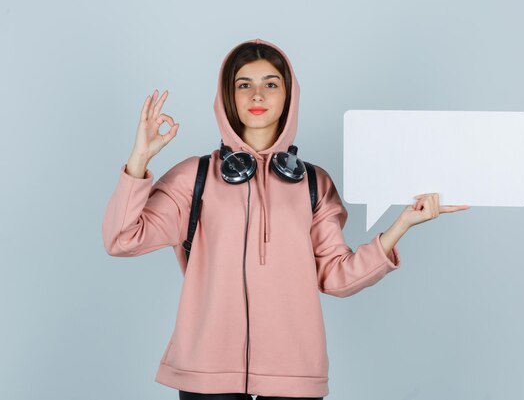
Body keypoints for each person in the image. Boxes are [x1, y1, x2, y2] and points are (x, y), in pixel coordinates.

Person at [102, 38, 470, 400]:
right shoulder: (193, 177)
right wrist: (139, 160)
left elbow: (337, 276)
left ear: (289, 96)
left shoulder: (314, 183)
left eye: (270, 84)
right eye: (243, 85)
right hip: (205, 372)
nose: (257, 95)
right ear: (228, 97)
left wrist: (401, 225)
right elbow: (122, 239)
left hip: (294, 373)